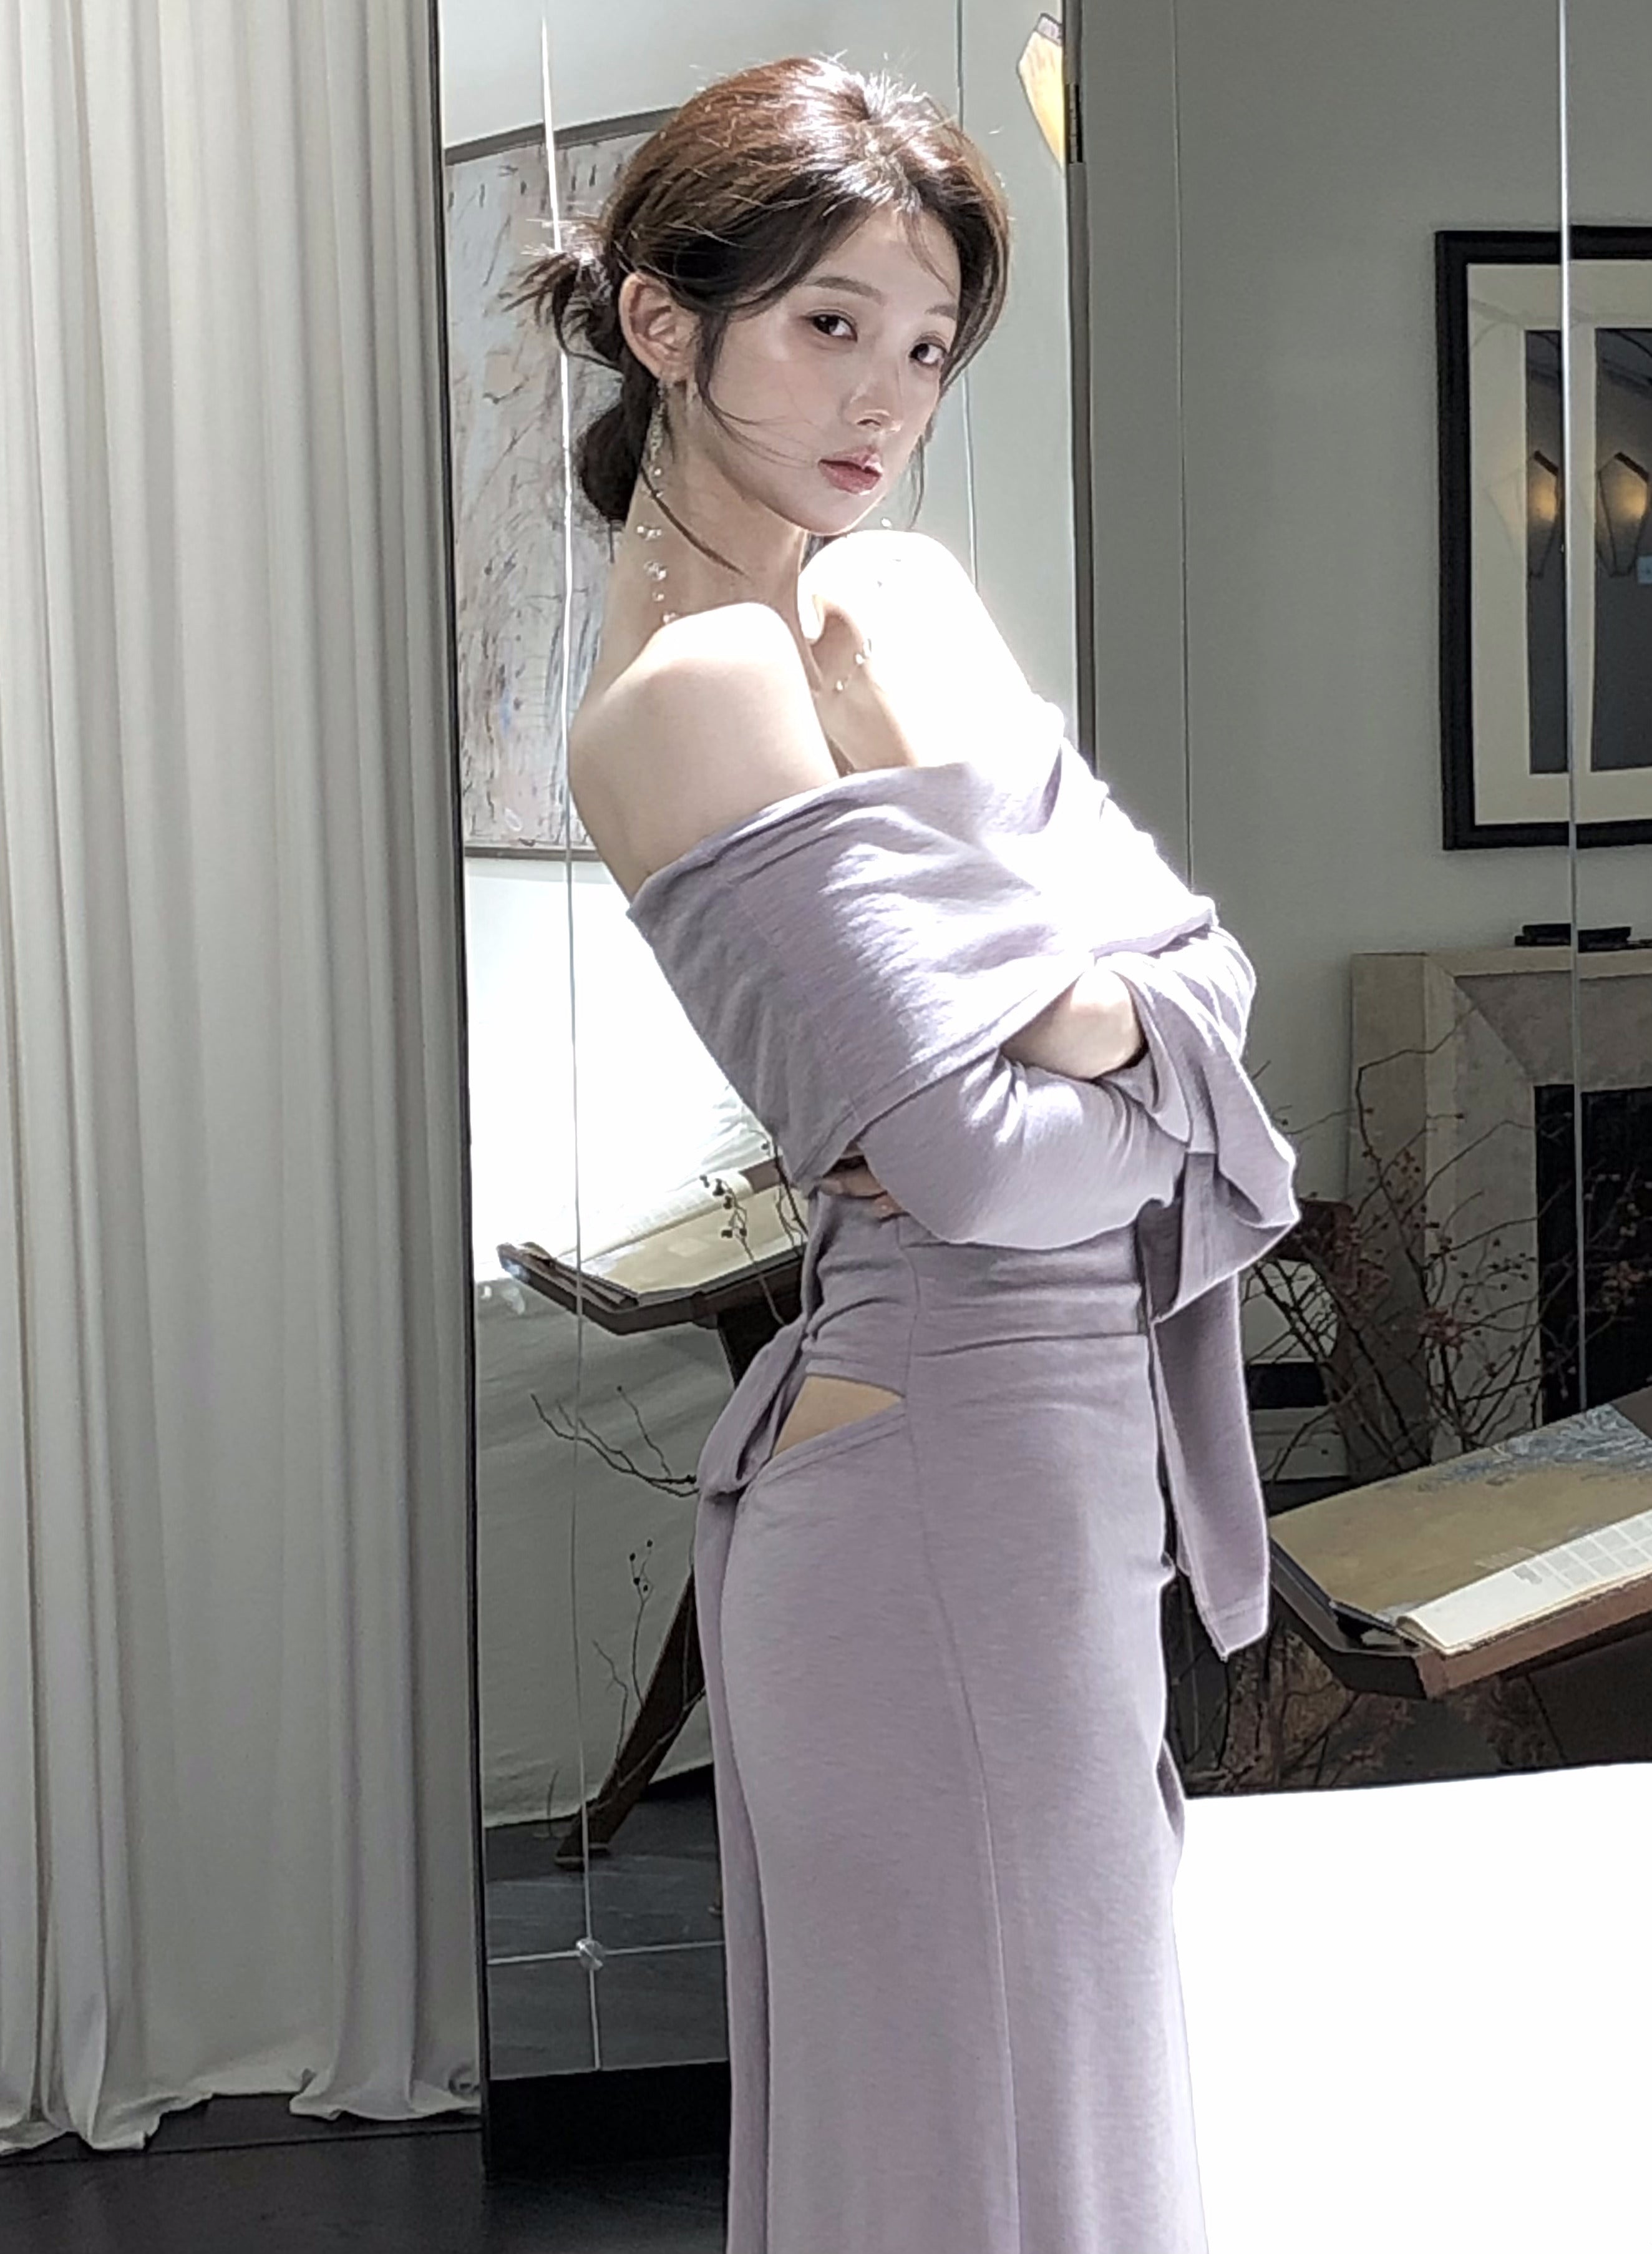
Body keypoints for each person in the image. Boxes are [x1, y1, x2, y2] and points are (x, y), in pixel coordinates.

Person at [512, 54, 1296, 2254]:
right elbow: (981, 1167)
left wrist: (1101, 1019)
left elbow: (1215, 982)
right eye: (830, 321)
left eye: (931, 343)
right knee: (994, 2147)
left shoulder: (901, 609)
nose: (888, 394)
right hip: (940, 1469)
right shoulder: (695, 689)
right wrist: (1127, 1021)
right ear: (668, 326)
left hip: (1032, 1468)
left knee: (1049, 2110)